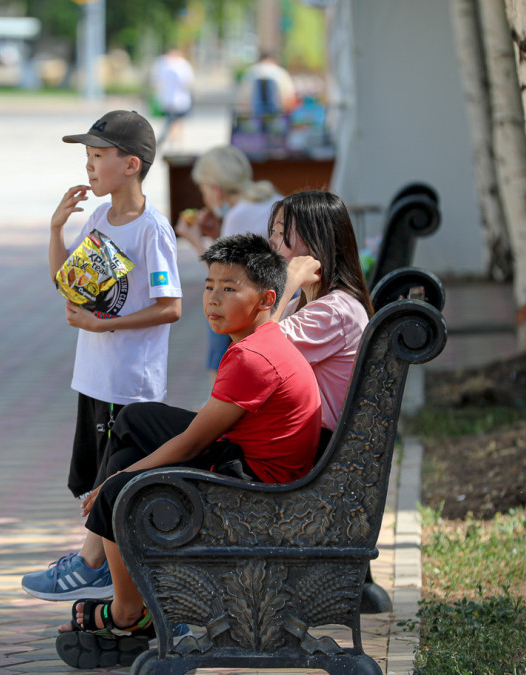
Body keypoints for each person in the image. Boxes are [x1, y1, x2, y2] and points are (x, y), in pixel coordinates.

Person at [54, 233, 322, 669]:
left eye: (229, 289)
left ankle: (127, 611)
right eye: (210, 286)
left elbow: (194, 441)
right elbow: (206, 425)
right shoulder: (262, 341)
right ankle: (131, 596)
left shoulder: (251, 357)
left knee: (121, 486)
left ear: (265, 299)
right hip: (254, 461)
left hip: (255, 486)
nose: (213, 299)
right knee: (135, 421)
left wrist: (114, 482)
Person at [24, 110, 183, 602]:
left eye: (98, 156)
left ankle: (92, 567)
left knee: (114, 480)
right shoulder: (98, 217)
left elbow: (171, 306)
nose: (89, 166)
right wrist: (55, 230)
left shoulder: (152, 230)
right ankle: (94, 567)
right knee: (94, 480)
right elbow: (67, 285)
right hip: (93, 375)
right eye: (87, 157)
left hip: (128, 382)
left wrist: (104, 324)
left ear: (131, 164)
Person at [268, 190, 373, 450]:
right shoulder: (305, 306)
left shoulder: (333, 313)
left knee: (152, 422)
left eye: (282, 233)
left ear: (317, 242)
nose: (271, 241)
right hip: (300, 441)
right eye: (273, 231)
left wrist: (289, 282)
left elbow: (254, 355)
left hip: (314, 450)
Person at [174, 146, 282, 375]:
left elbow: (223, 276)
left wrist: (195, 240)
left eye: (203, 190)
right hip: (283, 292)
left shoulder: (239, 213)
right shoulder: (270, 198)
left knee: (216, 302)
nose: (204, 198)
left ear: (215, 189)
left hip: (272, 301)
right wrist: (216, 237)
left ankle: (219, 384)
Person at [150, 48, 194, 149]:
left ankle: (173, 142)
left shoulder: (163, 63)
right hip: (177, 100)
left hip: (171, 99)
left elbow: (155, 80)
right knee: (176, 122)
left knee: (174, 121)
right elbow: (188, 82)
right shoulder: (182, 65)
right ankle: (175, 142)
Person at [236, 52, 297, 122]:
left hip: (253, 116)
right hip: (277, 115)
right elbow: (290, 96)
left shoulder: (250, 72)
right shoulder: (280, 72)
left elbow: (242, 97)